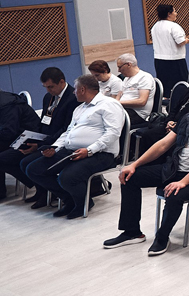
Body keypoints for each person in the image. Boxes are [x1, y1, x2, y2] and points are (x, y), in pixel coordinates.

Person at [104, 83, 189, 253]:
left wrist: (183, 182)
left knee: (174, 194)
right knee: (130, 177)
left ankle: (162, 238)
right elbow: (163, 144)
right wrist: (134, 164)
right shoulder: (187, 118)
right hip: (176, 169)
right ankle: (132, 232)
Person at [25, 74, 125, 220]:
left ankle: (82, 203)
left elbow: (113, 133)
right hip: (72, 150)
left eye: (76, 89)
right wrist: (55, 147)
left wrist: (89, 150)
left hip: (101, 154)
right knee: (34, 170)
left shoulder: (109, 104)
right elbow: (68, 132)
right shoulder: (80, 108)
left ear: (83, 89)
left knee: (67, 177)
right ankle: (69, 199)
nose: (73, 92)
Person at [3, 68, 77, 206]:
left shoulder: (73, 98)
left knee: (25, 162)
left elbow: (66, 129)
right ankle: (41, 189)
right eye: (45, 87)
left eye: (51, 87)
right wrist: (33, 139)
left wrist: (41, 144)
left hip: (58, 142)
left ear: (61, 82)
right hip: (44, 139)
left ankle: (52, 191)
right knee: (12, 157)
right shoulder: (48, 97)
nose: (48, 90)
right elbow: (43, 121)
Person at [135, 60, 189, 156]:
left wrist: (178, 126)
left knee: (162, 140)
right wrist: (169, 121)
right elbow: (174, 109)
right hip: (173, 126)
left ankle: (164, 164)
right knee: (148, 135)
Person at [0, 89, 42, 200]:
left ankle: (40, 184)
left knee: (2, 159)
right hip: (16, 136)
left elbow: (8, 132)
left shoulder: (8, 105)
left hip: (29, 139)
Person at [150, 3, 189, 89]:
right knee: (180, 85)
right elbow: (180, 42)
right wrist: (187, 40)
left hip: (159, 61)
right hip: (175, 61)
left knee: (164, 86)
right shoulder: (173, 26)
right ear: (169, 14)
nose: (176, 13)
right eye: (174, 11)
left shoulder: (155, 26)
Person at [114, 54, 155, 129]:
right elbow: (119, 94)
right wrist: (115, 103)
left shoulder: (144, 77)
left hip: (137, 114)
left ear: (128, 65)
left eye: (120, 67)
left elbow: (142, 101)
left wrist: (118, 103)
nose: (118, 70)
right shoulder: (126, 78)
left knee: (109, 118)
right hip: (124, 109)